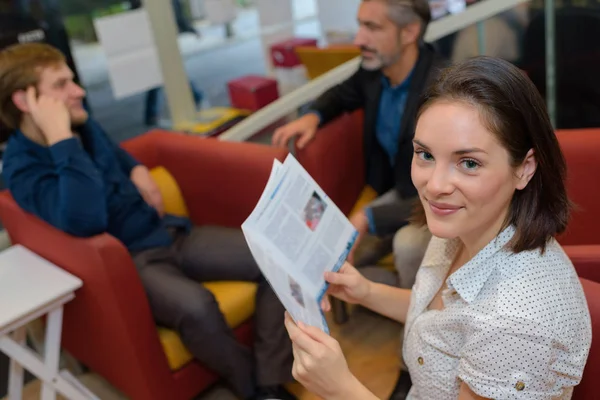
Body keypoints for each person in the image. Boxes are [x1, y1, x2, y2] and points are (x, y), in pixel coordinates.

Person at [283, 56, 592, 399]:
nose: (435, 185)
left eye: (469, 163)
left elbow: (482, 323)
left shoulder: (516, 322)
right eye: (425, 155)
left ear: (525, 168)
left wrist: (338, 388)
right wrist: (365, 292)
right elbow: (445, 319)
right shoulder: (468, 227)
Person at [0, 42, 296, 400]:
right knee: (197, 307)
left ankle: (269, 382)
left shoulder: (84, 125)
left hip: (168, 232)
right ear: (25, 102)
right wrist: (61, 139)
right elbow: (85, 221)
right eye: (62, 85)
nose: (78, 91)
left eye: (73, 81)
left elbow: (115, 153)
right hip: (132, 261)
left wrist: (137, 168)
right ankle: (252, 389)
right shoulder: (22, 167)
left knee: (276, 253)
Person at [273, 0, 447, 283]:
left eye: (372, 27)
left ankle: (417, 321)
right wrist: (314, 116)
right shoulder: (374, 72)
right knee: (331, 252)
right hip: (395, 189)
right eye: (360, 25)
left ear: (409, 32)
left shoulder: (441, 90)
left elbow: (446, 191)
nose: (358, 40)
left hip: (434, 200)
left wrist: (368, 216)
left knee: (407, 245)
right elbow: (342, 94)